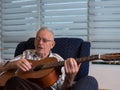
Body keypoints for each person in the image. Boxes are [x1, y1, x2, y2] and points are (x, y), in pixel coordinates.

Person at [0, 27, 98, 90]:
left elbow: (62, 88)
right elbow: (2, 67)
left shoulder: (58, 60)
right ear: (34, 42)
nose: (40, 43)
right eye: (37, 39)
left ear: (52, 44)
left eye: (45, 40)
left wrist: (69, 78)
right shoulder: (26, 54)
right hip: (23, 85)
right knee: (14, 81)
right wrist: (13, 64)